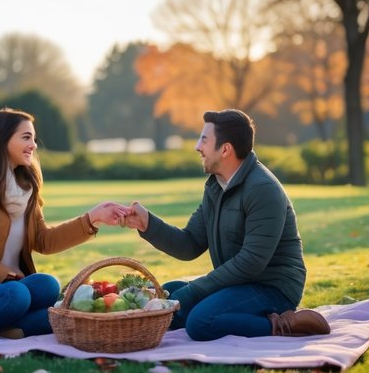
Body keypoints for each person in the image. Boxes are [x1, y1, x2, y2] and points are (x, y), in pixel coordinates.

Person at [118, 109, 330, 340]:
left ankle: (282, 324)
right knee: (170, 293)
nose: (197, 146)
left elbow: (250, 263)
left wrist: (194, 291)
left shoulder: (262, 189)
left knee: (200, 322)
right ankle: (230, 311)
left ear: (226, 149)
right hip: (241, 283)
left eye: (204, 140)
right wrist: (147, 223)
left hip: (273, 287)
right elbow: (190, 244)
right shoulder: (216, 186)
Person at [0, 108, 127, 339]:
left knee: (49, 286)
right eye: (26, 137)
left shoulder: (26, 188)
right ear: (2, 140)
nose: (33, 145)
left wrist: (92, 218)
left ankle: (2, 327)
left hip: (9, 288)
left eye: (33, 138)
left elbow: (44, 240)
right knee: (18, 295)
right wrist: (6, 274)